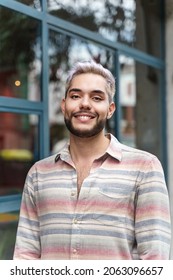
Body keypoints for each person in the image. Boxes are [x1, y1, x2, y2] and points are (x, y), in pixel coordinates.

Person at [13, 60, 171, 260]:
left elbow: (155, 260)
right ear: (64, 105)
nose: (85, 103)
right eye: (75, 96)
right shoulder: (38, 173)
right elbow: (25, 255)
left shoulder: (144, 167)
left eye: (96, 97)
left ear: (111, 109)